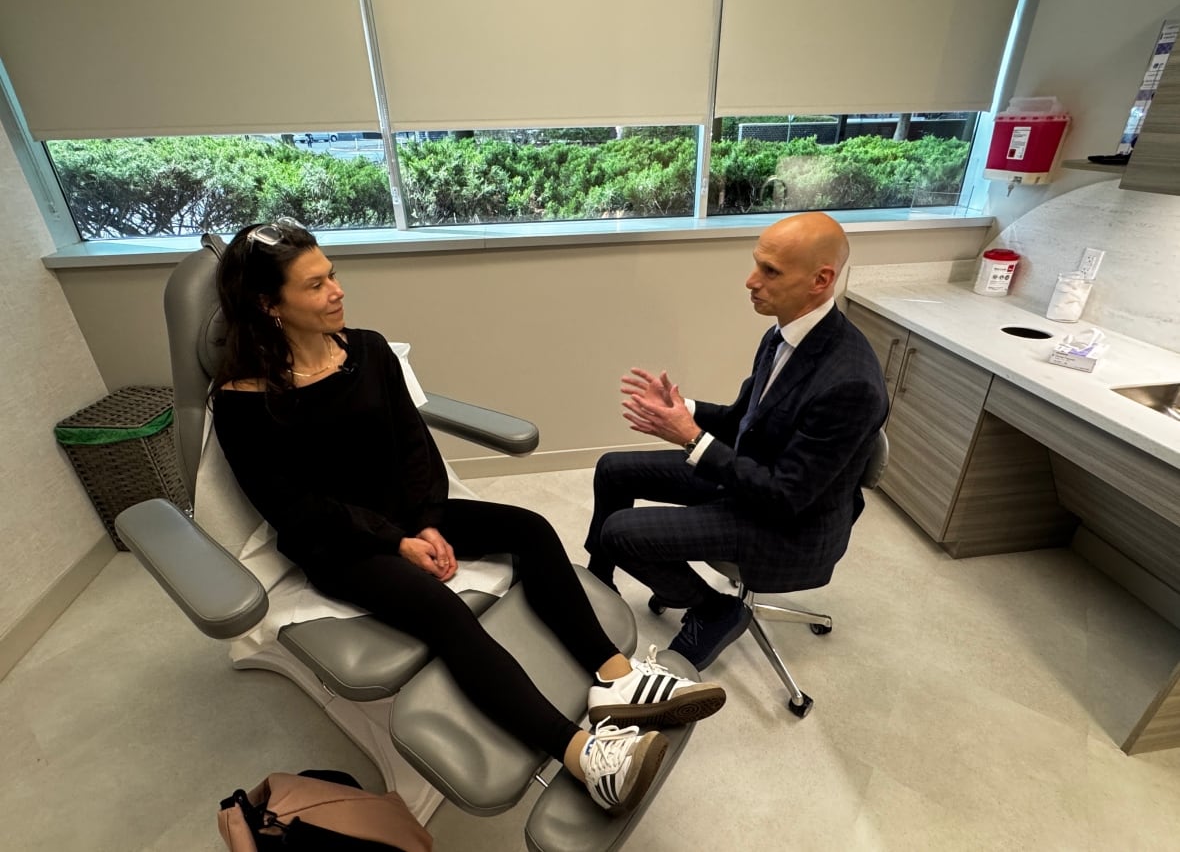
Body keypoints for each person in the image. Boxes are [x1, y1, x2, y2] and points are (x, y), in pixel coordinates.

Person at [210, 217, 727, 816]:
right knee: (443, 611)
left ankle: (615, 678)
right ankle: (586, 758)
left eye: (334, 274)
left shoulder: (368, 349)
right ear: (269, 305)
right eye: (315, 285)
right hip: (339, 543)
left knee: (529, 529)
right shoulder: (243, 401)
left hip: (407, 513)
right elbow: (293, 506)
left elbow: (414, 447)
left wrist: (428, 522)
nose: (337, 291)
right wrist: (397, 544)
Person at [584, 212, 888, 671]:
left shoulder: (850, 383)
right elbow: (743, 419)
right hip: (751, 477)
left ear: (820, 280)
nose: (751, 281)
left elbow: (785, 498)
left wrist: (692, 440)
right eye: (756, 265)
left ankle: (713, 608)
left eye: (770, 271)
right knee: (613, 468)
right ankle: (597, 579)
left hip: (788, 526)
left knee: (622, 532)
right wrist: (684, 409)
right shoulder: (783, 334)